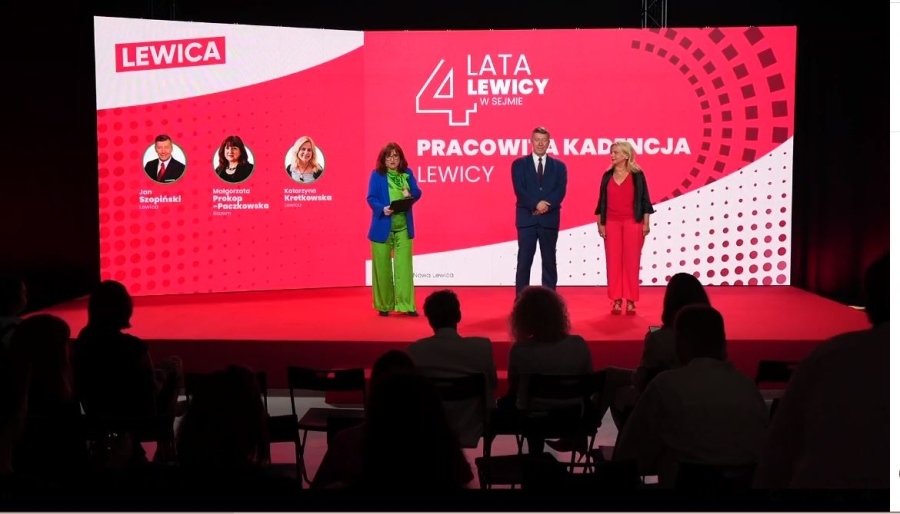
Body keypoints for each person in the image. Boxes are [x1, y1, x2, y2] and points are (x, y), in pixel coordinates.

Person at [594, 140, 655, 315]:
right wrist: (601, 224)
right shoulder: (607, 175)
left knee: (631, 262)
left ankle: (630, 300)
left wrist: (646, 223)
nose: (612, 155)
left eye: (616, 152)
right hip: (611, 223)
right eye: (611, 152)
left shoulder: (637, 175)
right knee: (613, 262)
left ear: (626, 155)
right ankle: (616, 299)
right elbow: (601, 202)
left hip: (633, 223)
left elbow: (645, 200)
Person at [366, 142, 422, 317]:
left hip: (403, 227)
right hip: (382, 226)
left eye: (395, 156)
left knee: (404, 267)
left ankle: (407, 305)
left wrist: (410, 194)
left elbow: (417, 192)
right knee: (382, 267)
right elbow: (371, 198)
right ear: (383, 159)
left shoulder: (407, 173)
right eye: (389, 156)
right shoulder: (376, 175)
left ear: (400, 158)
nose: (392, 159)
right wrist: (382, 209)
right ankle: (384, 305)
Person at [512, 127, 567, 298]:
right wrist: (536, 204)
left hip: (549, 220)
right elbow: (519, 189)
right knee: (524, 263)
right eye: (537, 140)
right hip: (527, 220)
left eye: (544, 140)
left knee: (549, 262)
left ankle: (550, 302)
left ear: (549, 143)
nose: (540, 144)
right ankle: (521, 301)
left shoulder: (559, 167)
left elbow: (560, 191)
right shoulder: (519, 164)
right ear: (531, 141)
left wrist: (546, 206)